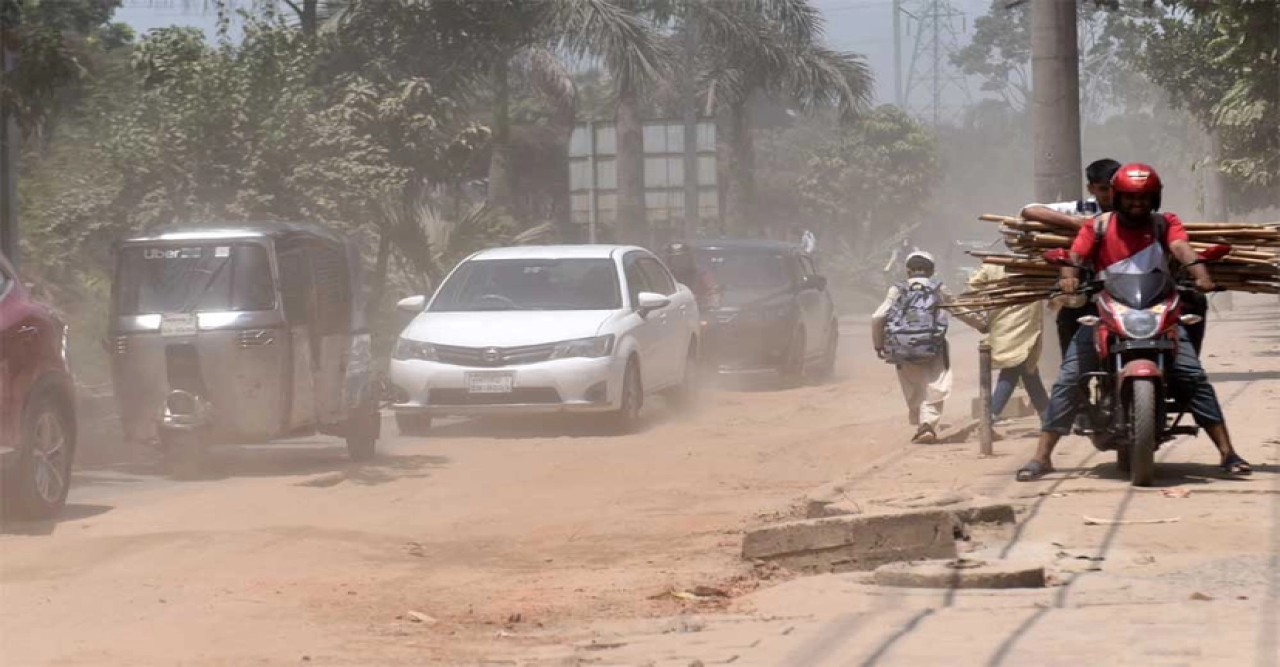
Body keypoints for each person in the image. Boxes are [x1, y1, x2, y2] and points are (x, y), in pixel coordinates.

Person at [1015, 163, 1252, 481]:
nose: (1137, 204)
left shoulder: (1165, 224)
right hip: (1108, 310)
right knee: (1071, 378)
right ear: (1117, 196)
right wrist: (1069, 278)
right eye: (1130, 198)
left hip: (1158, 310)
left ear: (1154, 198)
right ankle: (1042, 457)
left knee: (1193, 376)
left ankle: (1228, 453)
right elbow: (1075, 256)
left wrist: (1202, 275)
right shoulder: (1097, 226)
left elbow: (1181, 248)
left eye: (1144, 198)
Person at [872, 251, 981, 443]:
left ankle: (921, 423)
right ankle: (927, 424)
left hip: (902, 347)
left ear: (908, 271)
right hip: (934, 347)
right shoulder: (938, 288)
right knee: (936, 385)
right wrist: (982, 325)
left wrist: (879, 345)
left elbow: (878, 317)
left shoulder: (896, 290)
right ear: (931, 271)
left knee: (914, 385)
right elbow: (959, 310)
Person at [1021, 158, 1121, 357]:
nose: (1110, 194)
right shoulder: (1085, 210)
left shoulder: (1137, 210)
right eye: (1103, 189)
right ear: (1091, 189)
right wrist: (1078, 223)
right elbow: (1029, 210)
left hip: (1129, 293)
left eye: (1114, 188)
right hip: (1089, 291)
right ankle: (1074, 382)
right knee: (1069, 325)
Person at [968, 262, 1050, 421]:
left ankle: (1047, 416)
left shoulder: (992, 267)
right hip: (1024, 327)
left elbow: (974, 285)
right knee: (1015, 370)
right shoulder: (1033, 265)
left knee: (1028, 371)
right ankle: (991, 415)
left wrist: (989, 299)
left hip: (1003, 327)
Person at [664, 242, 720, 309]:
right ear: (669, 261)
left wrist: (713, 301)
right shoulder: (664, 276)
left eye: (682, 258)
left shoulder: (701, 274)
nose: (679, 261)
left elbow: (713, 290)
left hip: (700, 310)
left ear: (689, 258)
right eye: (675, 259)